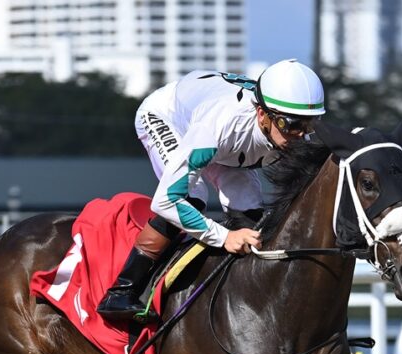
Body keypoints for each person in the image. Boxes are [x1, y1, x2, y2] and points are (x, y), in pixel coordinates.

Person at [96, 59, 326, 320]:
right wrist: (224, 237)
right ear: (262, 114)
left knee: (251, 214)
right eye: (291, 125)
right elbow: (166, 201)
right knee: (192, 197)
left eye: (309, 124)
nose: (300, 135)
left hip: (225, 143)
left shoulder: (288, 129)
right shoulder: (217, 127)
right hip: (171, 119)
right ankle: (121, 291)